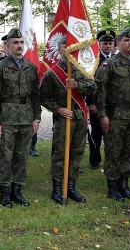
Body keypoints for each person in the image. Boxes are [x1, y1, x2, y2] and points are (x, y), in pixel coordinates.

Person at [40, 35, 96, 204]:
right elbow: (43, 97)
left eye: (72, 45)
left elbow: (93, 88)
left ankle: (71, 186)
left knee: (77, 153)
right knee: (60, 153)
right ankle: (57, 188)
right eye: (65, 45)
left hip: (79, 118)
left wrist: (78, 86)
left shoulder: (81, 69)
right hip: (64, 120)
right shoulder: (52, 73)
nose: (69, 48)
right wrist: (58, 109)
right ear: (60, 49)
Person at [0, 28, 40, 208]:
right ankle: (4, 192)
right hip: (6, 118)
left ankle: (17, 191)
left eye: (21, 42)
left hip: (26, 118)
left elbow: (35, 95)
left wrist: (37, 118)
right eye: (15, 43)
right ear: (8, 46)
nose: (19, 46)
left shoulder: (31, 67)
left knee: (22, 156)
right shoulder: (0, 68)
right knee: (5, 156)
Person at [95, 28, 130, 202]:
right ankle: (113, 186)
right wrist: (102, 115)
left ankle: (124, 184)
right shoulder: (109, 64)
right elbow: (100, 90)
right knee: (114, 150)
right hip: (115, 114)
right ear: (118, 44)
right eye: (126, 40)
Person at [86, 29, 115, 170]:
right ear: (99, 44)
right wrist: (91, 103)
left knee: (112, 134)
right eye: (105, 43)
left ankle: (111, 160)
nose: (108, 46)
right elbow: (90, 83)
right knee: (96, 133)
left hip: (113, 105)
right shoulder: (93, 61)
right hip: (97, 104)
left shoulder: (117, 60)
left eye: (110, 43)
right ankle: (94, 159)